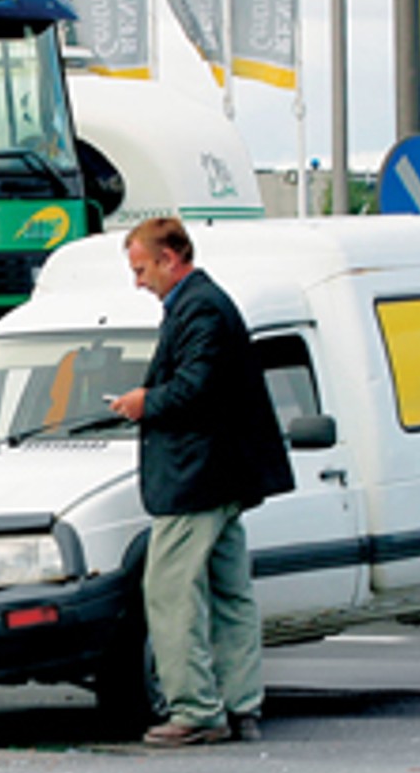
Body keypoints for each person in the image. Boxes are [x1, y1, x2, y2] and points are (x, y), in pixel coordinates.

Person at [108, 216, 292, 746]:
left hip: (196, 478)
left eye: (141, 268)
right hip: (223, 478)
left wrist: (143, 403)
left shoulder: (199, 307)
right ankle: (241, 705)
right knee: (230, 593)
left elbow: (196, 387)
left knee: (169, 591)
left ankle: (195, 710)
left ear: (170, 257)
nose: (138, 281)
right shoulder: (205, 303)